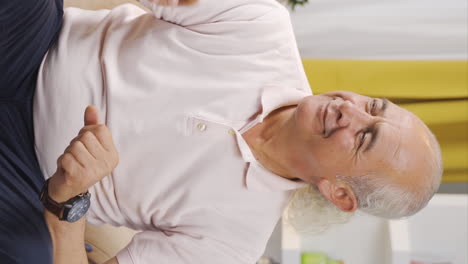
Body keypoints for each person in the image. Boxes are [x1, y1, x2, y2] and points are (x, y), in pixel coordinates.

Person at [0, 0, 443, 264]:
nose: (350, 110)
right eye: (373, 106)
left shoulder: (232, 245)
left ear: (339, 194)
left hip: (26, 177)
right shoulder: (262, 27)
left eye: (365, 138)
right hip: (34, 46)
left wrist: (70, 200)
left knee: (30, 255)